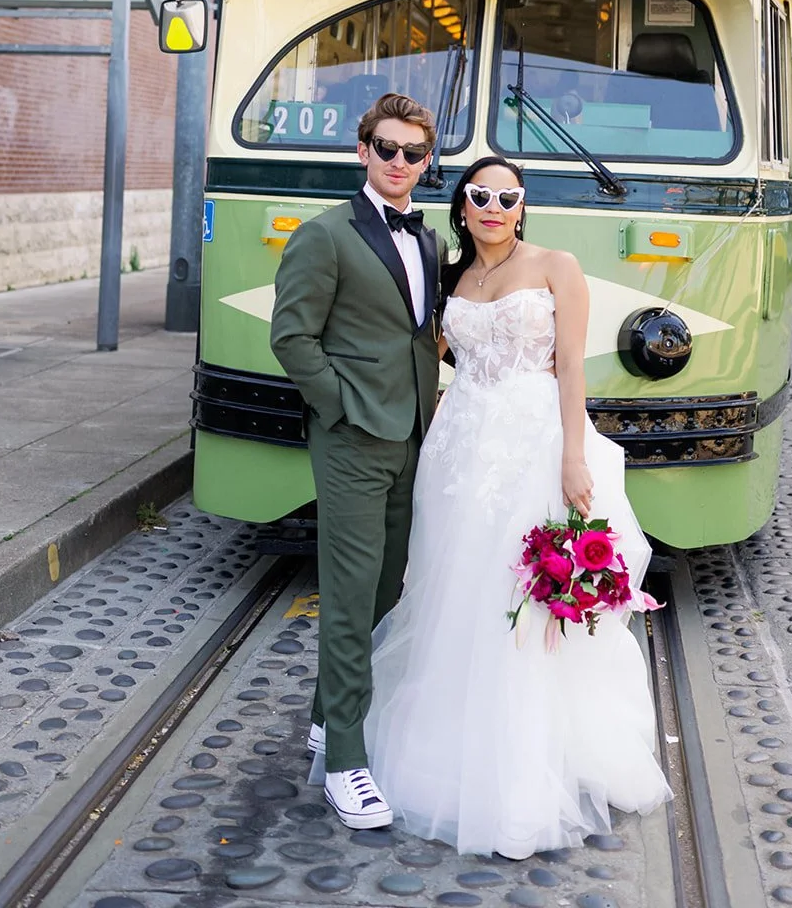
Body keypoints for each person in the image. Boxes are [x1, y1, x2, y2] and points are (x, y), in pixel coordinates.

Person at [365, 156, 671, 859]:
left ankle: (527, 764)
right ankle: (451, 742)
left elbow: (570, 367)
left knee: (522, 598)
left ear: (521, 206)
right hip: (458, 449)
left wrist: (572, 456)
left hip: (532, 444)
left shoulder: (555, 265)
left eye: (507, 196)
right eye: (480, 196)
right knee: (455, 589)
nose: (494, 206)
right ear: (463, 207)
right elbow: (436, 353)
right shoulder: (453, 278)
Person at [270, 94, 447, 831]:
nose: (398, 163)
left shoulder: (430, 241)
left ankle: (323, 716)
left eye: (412, 153)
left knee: (385, 589)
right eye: (386, 149)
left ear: (426, 161)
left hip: (412, 436)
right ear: (361, 151)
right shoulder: (324, 235)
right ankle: (346, 760)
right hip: (350, 441)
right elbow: (291, 337)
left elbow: (422, 333)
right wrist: (336, 408)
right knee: (346, 598)